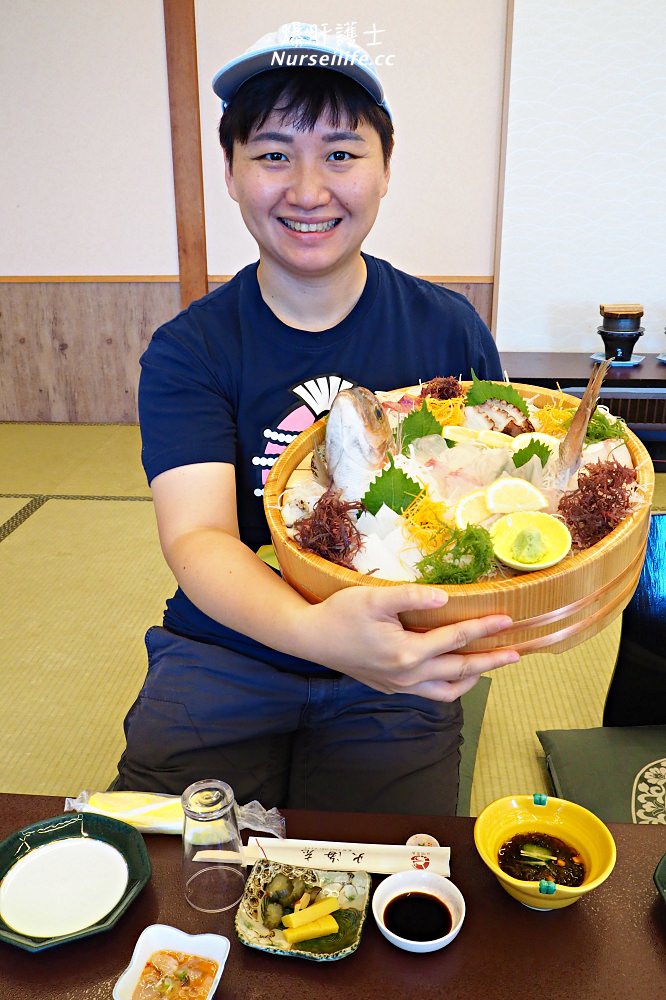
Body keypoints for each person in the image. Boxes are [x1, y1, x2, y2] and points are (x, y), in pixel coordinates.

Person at [116, 23, 519, 813]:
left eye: (341, 153)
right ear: (230, 173)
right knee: (172, 874)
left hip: (396, 657)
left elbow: (490, 507)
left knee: (383, 891)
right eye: (273, 154)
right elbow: (197, 538)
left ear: (385, 169)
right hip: (224, 648)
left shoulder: (448, 330)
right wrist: (318, 633)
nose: (307, 190)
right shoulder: (189, 350)